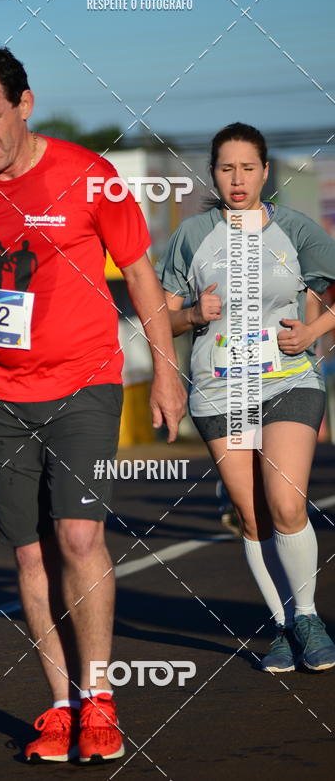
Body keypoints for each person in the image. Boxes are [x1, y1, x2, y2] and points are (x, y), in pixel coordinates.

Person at [0, 42, 186, 764]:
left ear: (24, 103)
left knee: (79, 538)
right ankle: (60, 706)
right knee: (29, 555)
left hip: (84, 380)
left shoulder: (90, 176)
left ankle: (101, 698)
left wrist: (168, 372)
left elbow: (140, 275)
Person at [156, 121, 335, 673]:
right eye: (226, 168)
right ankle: (281, 626)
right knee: (253, 516)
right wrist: (191, 314)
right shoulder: (193, 235)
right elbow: (160, 318)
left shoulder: (299, 230)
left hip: (289, 379)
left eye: (248, 168)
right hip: (220, 389)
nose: (237, 179)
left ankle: (306, 615)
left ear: (264, 171)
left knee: (285, 503)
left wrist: (311, 334)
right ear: (213, 172)